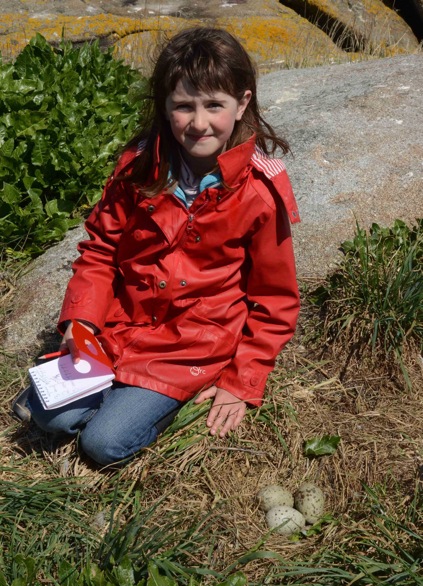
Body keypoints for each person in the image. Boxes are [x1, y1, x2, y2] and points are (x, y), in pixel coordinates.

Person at [13, 27, 300, 466]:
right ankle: (92, 393)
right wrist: (82, 319)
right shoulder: (139, 167)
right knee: (48, 419)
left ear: (242, 103)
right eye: (184, 106)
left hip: (191, 346)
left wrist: (242, 380)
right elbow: (101, 251)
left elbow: (274, 299)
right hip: (120, 326)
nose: (199, 123)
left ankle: (153, 401)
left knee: (103, 444)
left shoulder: (259, 191)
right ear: (165, 106)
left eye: (214, 106)